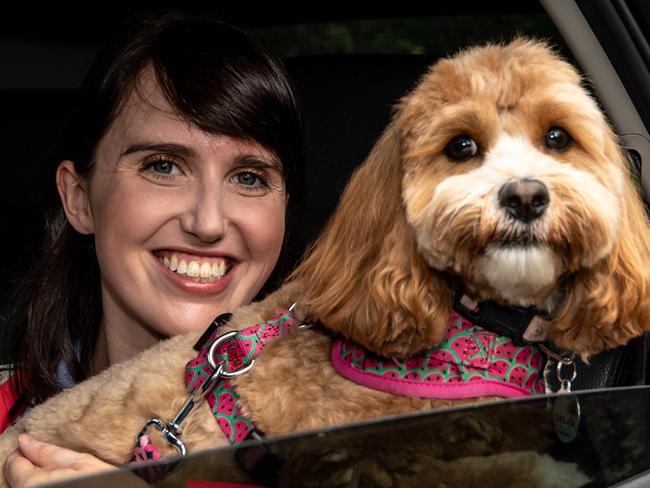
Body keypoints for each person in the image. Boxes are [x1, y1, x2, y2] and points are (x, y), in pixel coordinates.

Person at [0, 10, 302, 486]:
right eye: (163, 166)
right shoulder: (6, 419)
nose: (207, 222)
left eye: (249, 177)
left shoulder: (348, 440)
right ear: (79, 199)